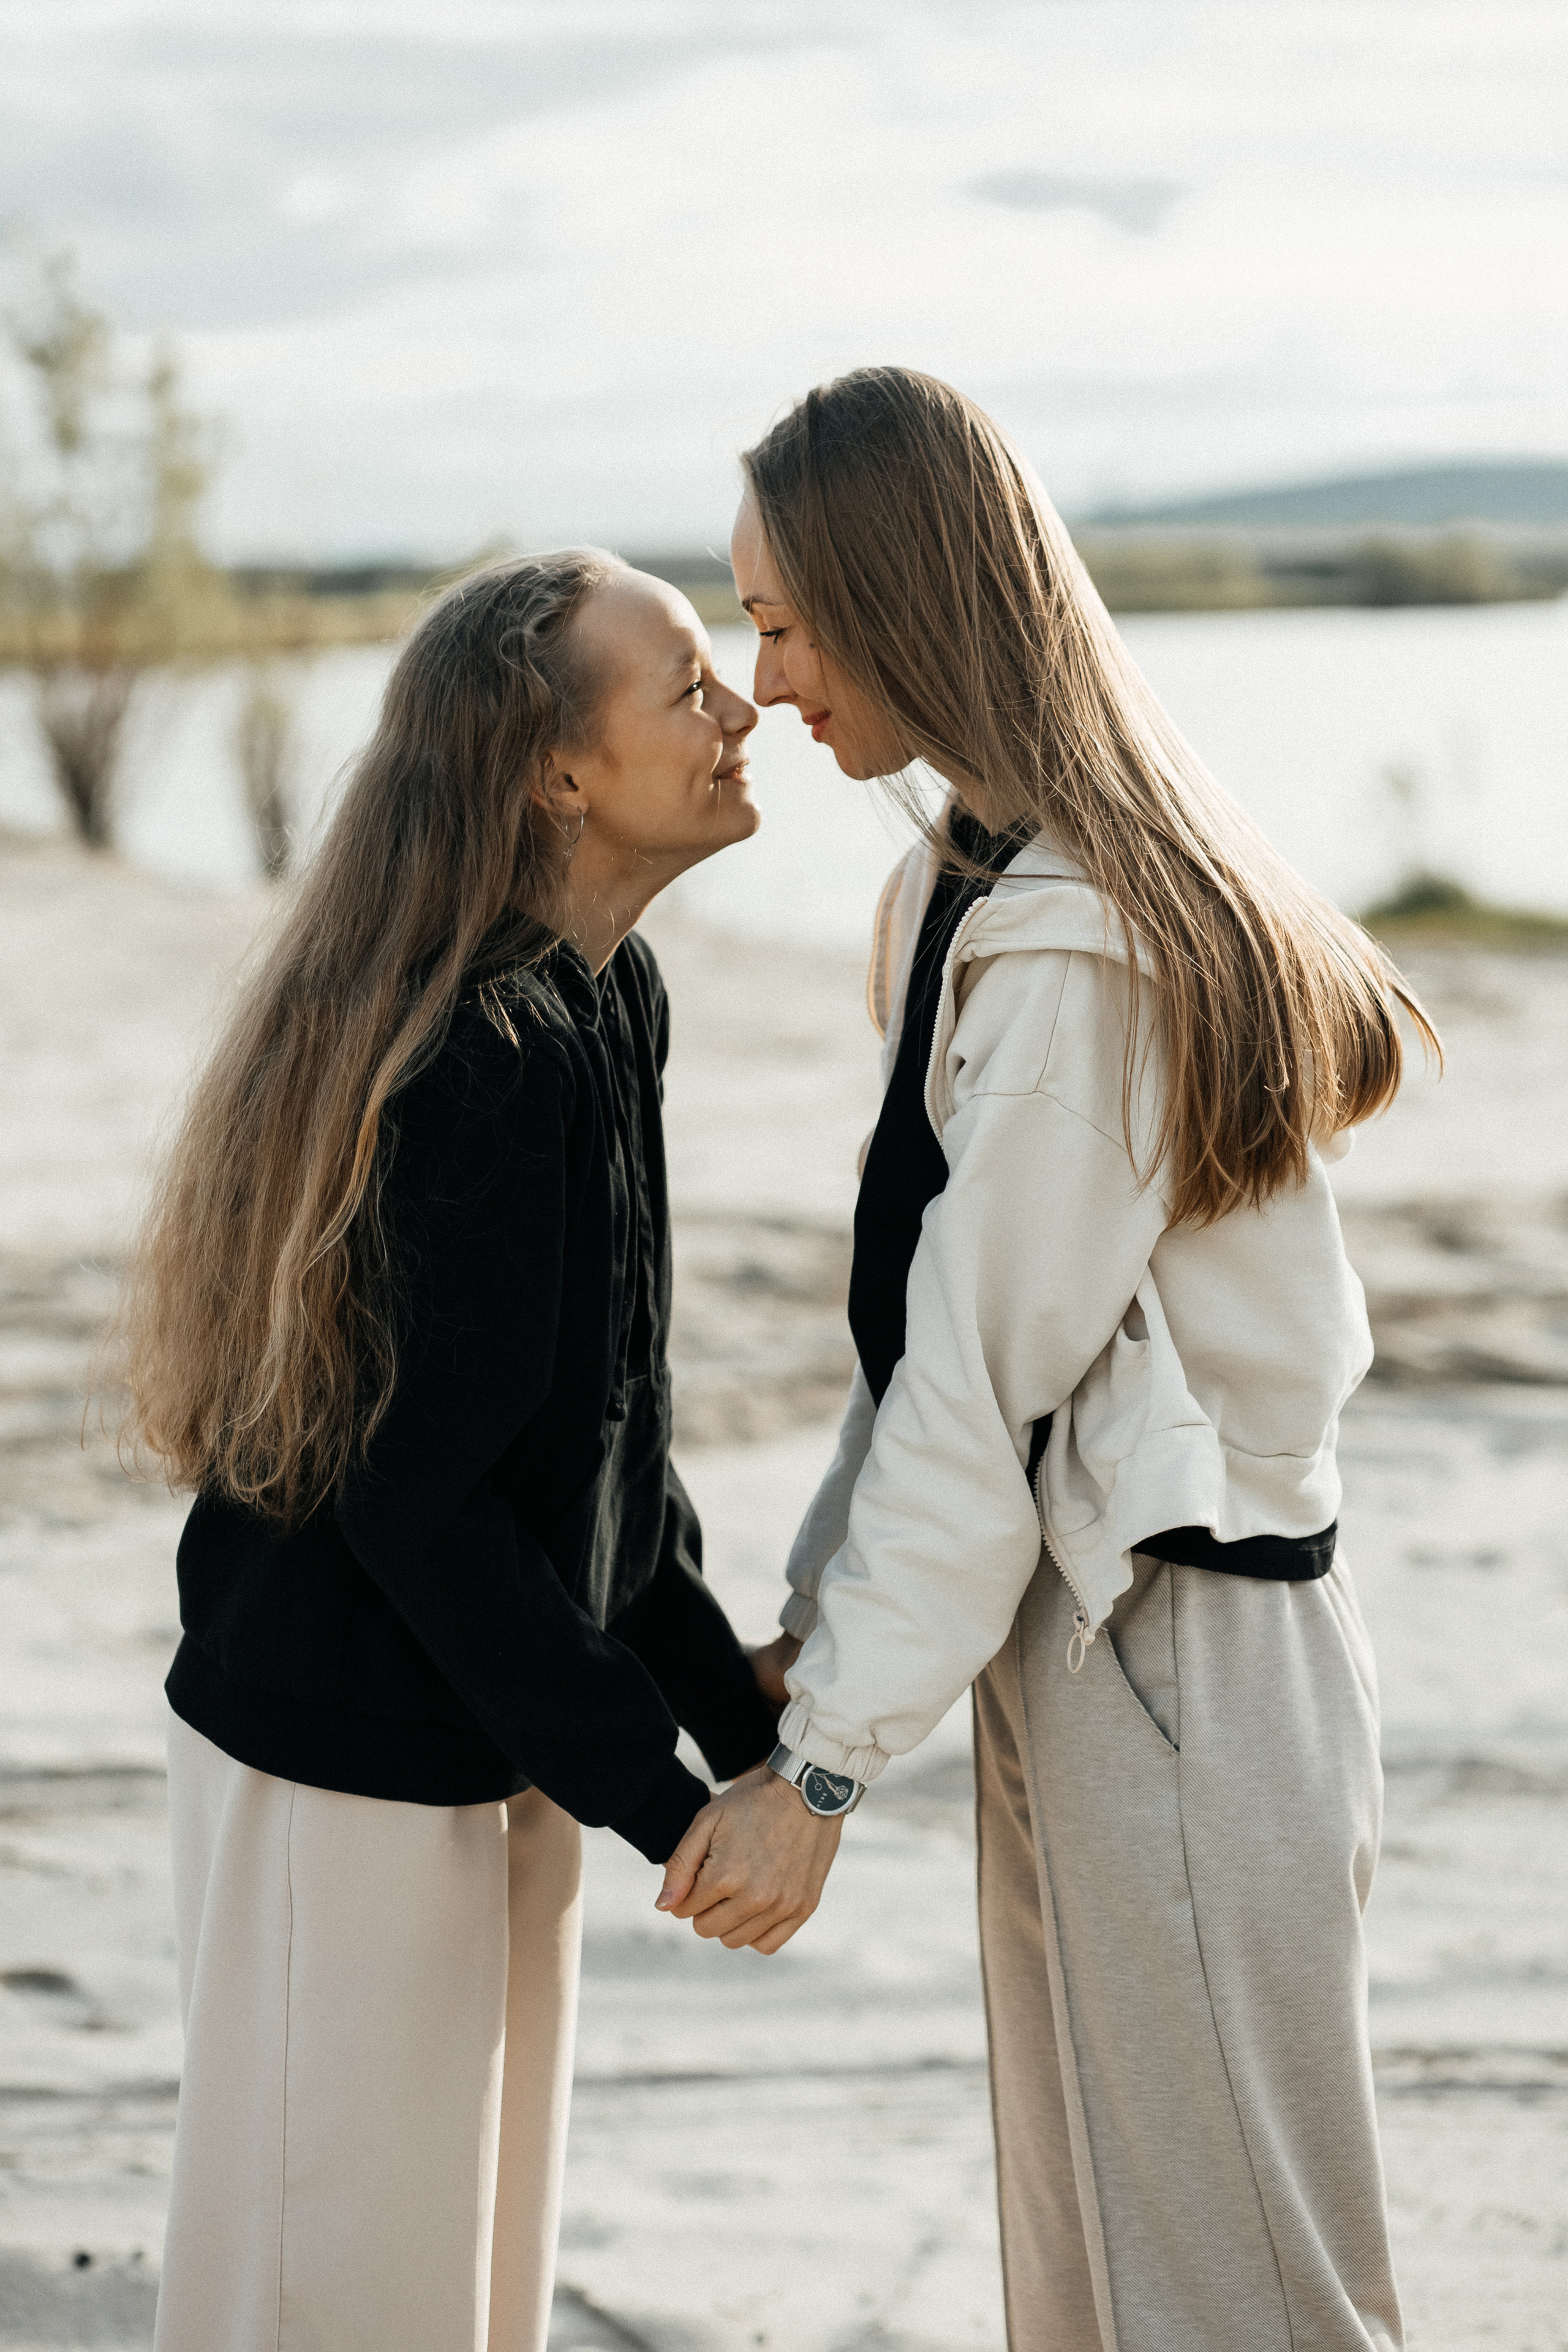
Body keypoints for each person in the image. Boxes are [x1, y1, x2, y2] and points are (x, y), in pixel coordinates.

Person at [658, 368, 1433, 2352]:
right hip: (1085, 1641)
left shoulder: (1087, 942)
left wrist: (818, 1774)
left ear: (912, 599)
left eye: (787, 617)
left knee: (1238, 2294)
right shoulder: (963, 886)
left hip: (1186, 1656)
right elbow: (935, 1339)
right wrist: (824, 1625)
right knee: (1094, 2271)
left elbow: (978, 1383)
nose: (764, 678)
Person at [114, 551, 781, 2352]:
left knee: (471, 2284)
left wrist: (747, 1727)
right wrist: (678, 1803)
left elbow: (608, 1443)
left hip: (489, 1733)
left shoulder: (602, 1005)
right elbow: (424, 1504)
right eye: (691, 683)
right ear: (555, 771)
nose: (744, 711)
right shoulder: (478, 1054)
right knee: (333, 2288)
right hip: (343, 1757)